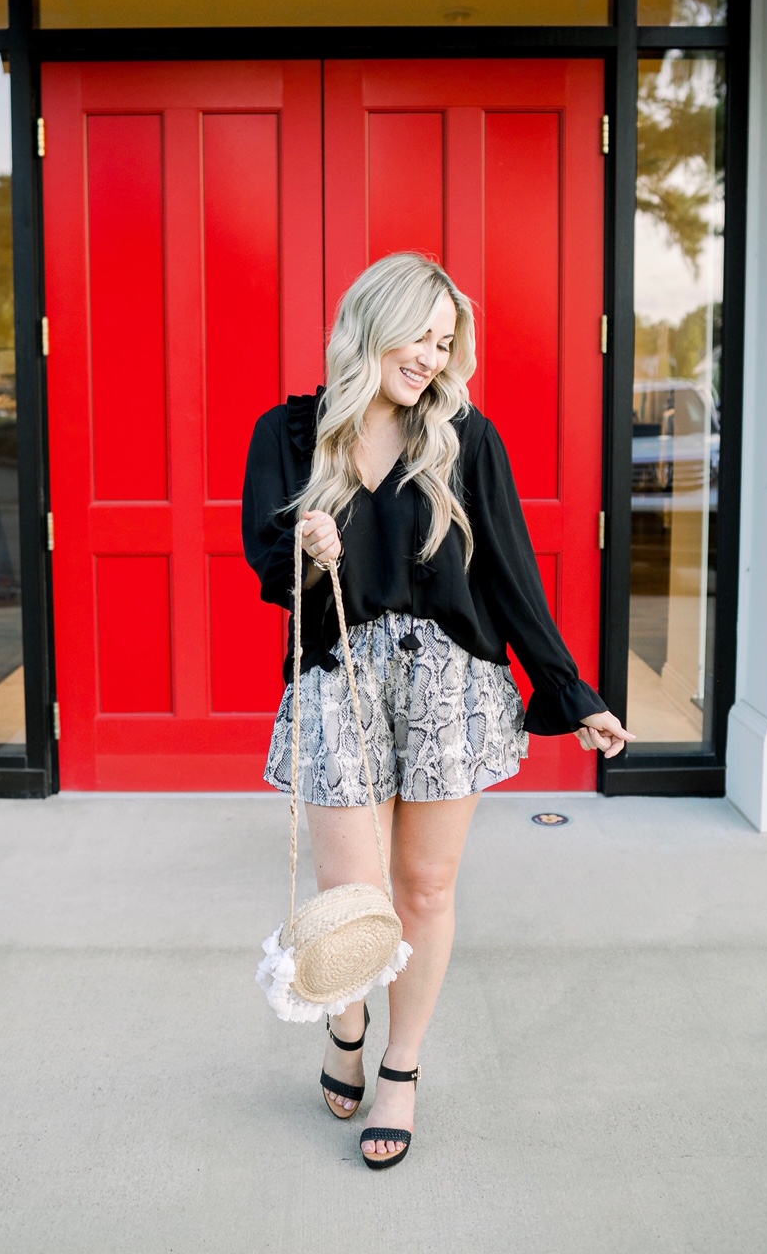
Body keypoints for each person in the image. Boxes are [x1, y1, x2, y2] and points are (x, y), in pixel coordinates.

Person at [242, 252, 634, 1171]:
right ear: (372, 324)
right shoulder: (292, 435)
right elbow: (274, 579)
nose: (430, 356)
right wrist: (305, 541)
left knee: (424, 891)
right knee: (356, 897)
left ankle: (401, 1068)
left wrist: (570, 691)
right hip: (338, 672)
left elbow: (509, 572)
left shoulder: (464, 438)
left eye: (445, 341)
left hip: (449, 683)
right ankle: (347, 1015)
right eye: (420, 333)